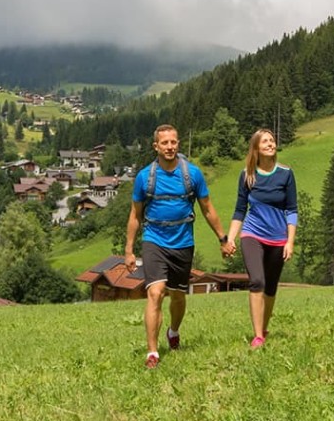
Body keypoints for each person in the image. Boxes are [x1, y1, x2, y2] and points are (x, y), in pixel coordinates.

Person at [125, 124, 232, 369]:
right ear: (156, 146)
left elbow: (207, 208)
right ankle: (152, 352)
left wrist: (223, 239)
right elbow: (134, 215)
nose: (170, 147)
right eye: (165, 143)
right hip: (154, 240)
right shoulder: (145, 177)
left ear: (178, 144)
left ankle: (173, 331)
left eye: (173, 142)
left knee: (178, 295)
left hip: (183, 243)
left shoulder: (192, 174)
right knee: (155, 293)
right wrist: (129, 250)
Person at [224, 128, 297, 349]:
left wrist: (290, 241)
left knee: (271, 287)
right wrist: (231, 239)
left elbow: (292, 209)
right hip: (252, 234)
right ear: (256, 148)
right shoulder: (247, 175)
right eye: (265, 141)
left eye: (272, 140)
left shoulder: (286, 173)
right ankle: (257, 336)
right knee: (257, 281)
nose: (270, 144)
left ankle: (263, 329)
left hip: (278, 238)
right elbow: (239, 211)